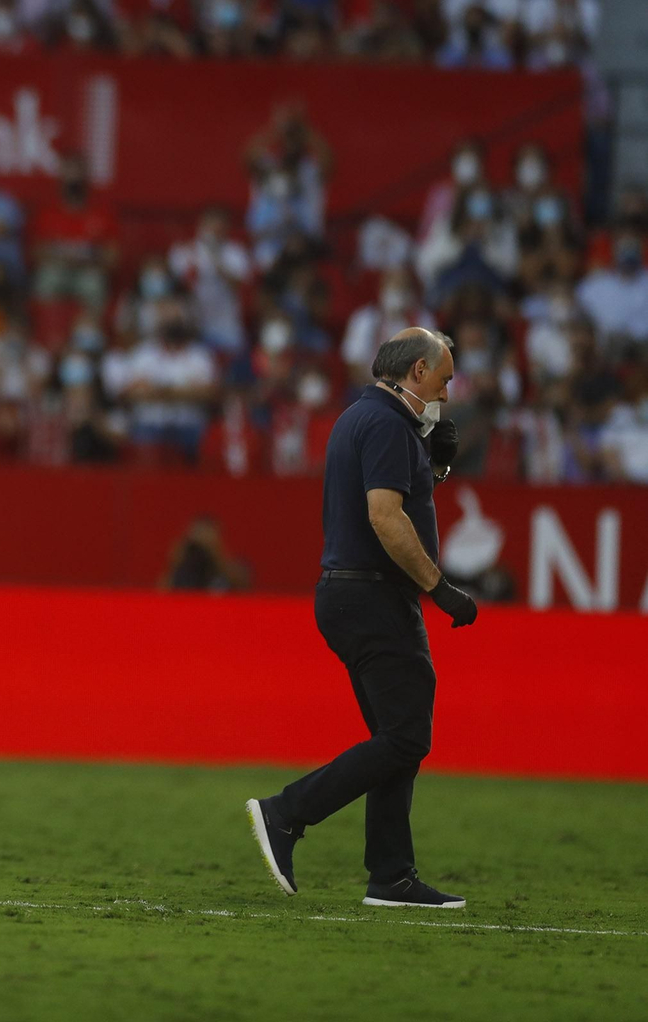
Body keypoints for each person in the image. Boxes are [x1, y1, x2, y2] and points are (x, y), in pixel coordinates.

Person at [248, 328, 478, 910]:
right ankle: (287, 812)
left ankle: (392, 876)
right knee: (407, 734)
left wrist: (435, 467)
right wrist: (440, 588)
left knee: (397, 738)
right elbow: (385, 515)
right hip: (373, 597)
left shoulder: (368, 418)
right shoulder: (385, 424)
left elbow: (389, 498)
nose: (447, 392)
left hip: (357, 595)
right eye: (444, 379)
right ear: (418, 371)